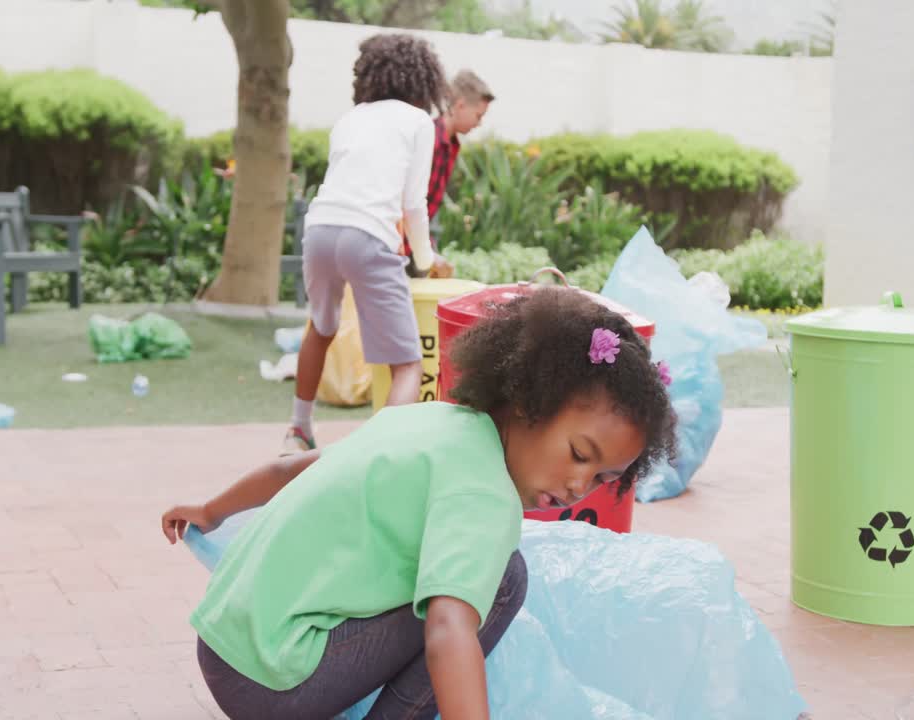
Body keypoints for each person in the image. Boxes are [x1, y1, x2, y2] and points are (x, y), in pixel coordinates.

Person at [162, 288, 678, 720]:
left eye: (604, 478)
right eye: (579, 454)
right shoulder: (484, 494)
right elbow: (447, 631)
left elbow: (291, 468)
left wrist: (212, 510)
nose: (580, 485)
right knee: (504, 580)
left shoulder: (429, 421)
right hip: (272, 685)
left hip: (221, 645)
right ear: (529, 404)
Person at [283, 34, 449, 454]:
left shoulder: (349, 119)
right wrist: (426, 259)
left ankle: (298, 430)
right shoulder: (418, 122)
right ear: (424, 80)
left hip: (320, 231)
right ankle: (374, 455)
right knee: (408, 365)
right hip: (369, 237)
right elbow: (413, 204)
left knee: (321, 328)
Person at [403, 69, 496, 279]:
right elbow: (409, 202)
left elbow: (428, 206)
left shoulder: (450, 145)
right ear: (460, 105)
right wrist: (425, 253)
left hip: (416, 242)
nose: (479, 123)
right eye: (478, 115)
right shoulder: (432, 140)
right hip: (403, 244)